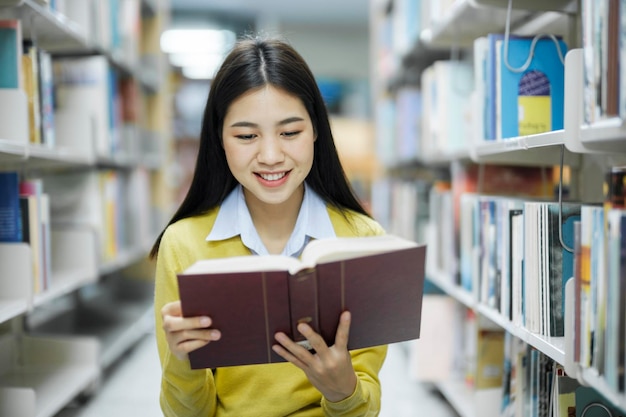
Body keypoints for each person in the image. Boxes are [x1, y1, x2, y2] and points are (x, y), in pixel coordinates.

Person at [150, 34, 387, 417]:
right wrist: (182, 363)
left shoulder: (362, 240)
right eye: (246, 136)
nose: (272, 156)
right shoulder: (183, 244)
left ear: (315, 131)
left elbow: (365, 409)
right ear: (219, 140)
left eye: (290, 132)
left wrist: (343, 390)